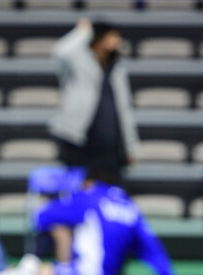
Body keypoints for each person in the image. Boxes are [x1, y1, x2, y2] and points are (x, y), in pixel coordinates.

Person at [0, 167, 176, 275]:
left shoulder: (89, 197)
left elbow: (40, 216)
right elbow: (154, 250)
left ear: (88, 183)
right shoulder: (129, 206)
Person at [48, 18, 138, 176]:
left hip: (110, 141)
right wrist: (82, 32)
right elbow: (60, 52)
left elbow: (124, 107)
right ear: (98, 37)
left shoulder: (118, 68)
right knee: (78, 184)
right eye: (112, 36)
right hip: (79, 137)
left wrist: (131, 146)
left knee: (108, 185)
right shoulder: (78, 61)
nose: (117, 40)